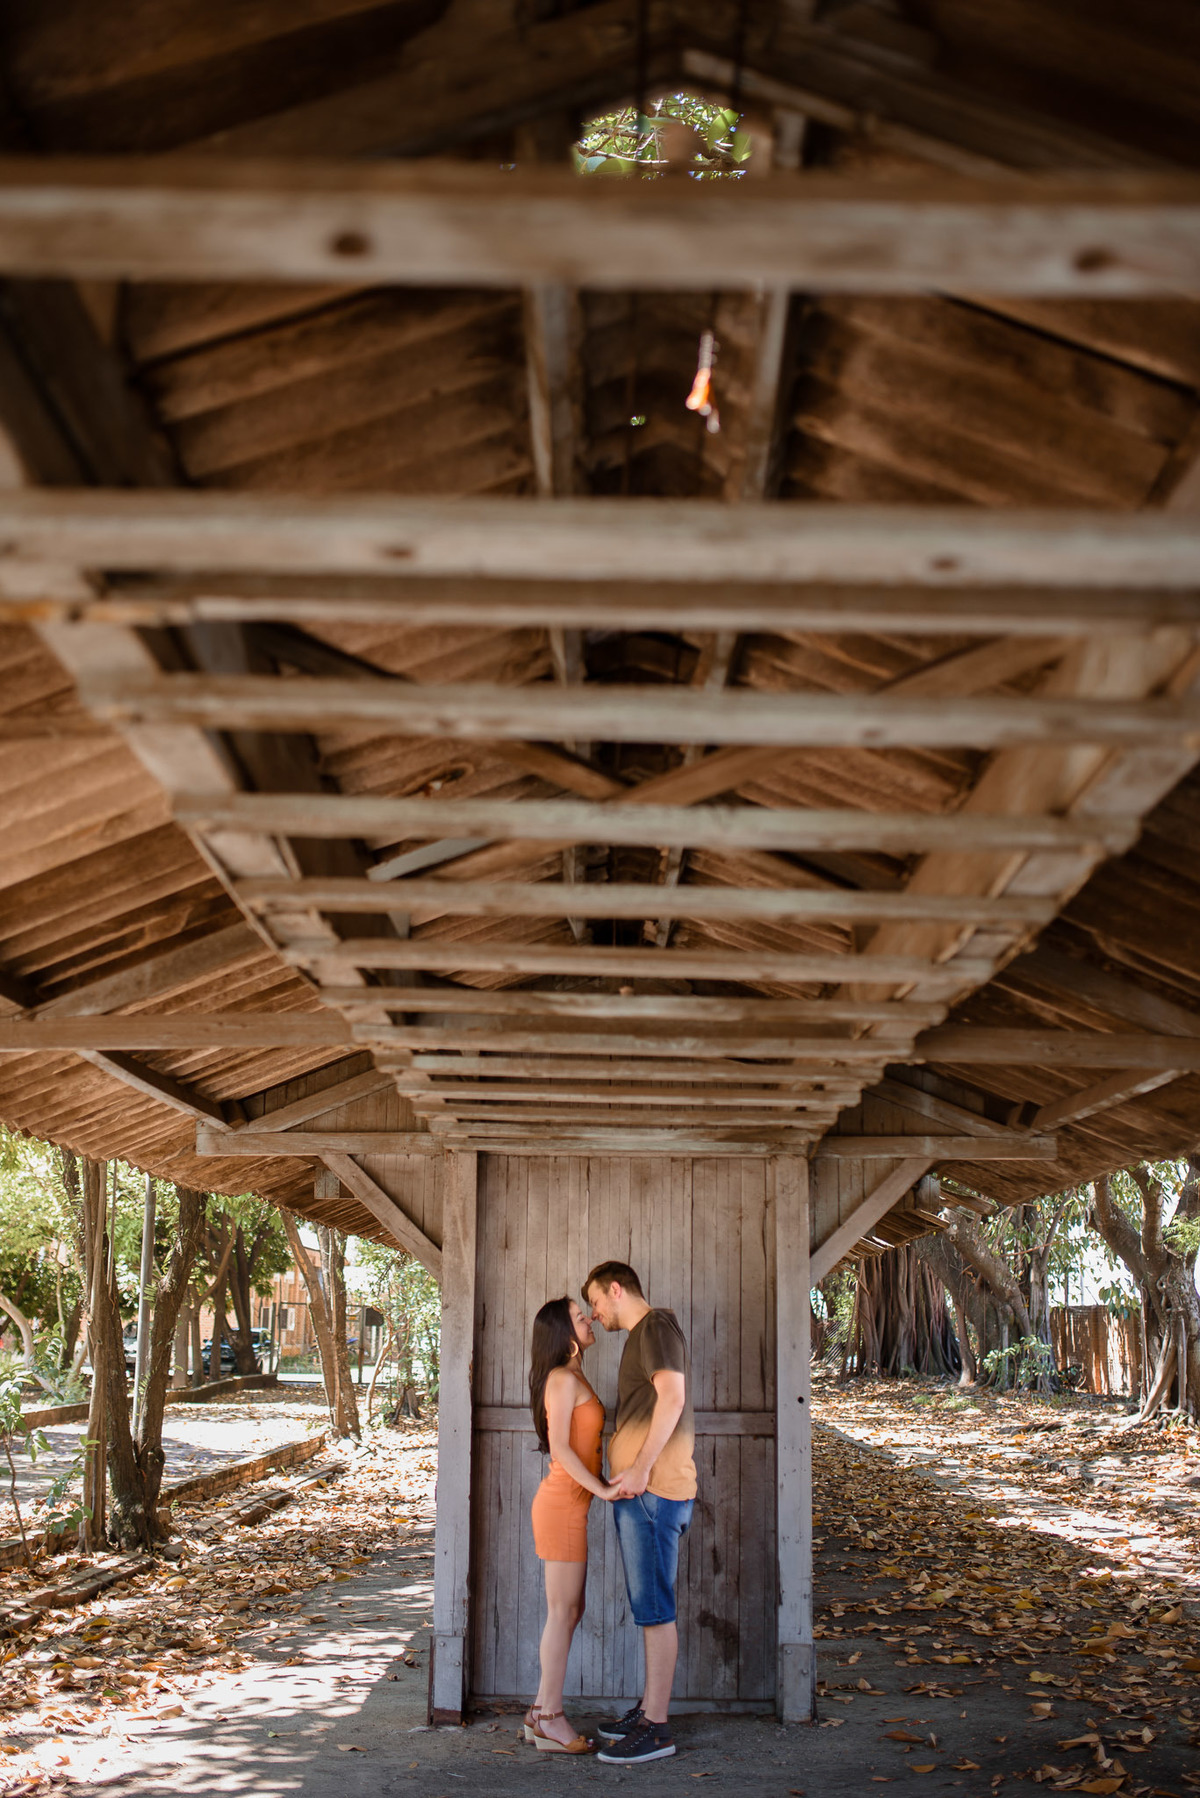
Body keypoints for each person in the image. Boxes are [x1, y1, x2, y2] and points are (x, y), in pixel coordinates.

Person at [582, 1260, 696, 1766]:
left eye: (596, 1302)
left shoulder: (656, 1327)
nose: (595, 1313)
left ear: (615, 1289)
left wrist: (642, 1469)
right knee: (650, 1606)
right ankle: (649, 1711)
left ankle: (656, 1727)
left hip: (653, 1493)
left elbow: (673, 1398)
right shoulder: (644, 1335)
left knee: (655, 1608)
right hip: (642, 1494)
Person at [526, 1295, 618, 1754]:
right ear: (565, 1335)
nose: (590, 1318)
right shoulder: (562, 1379)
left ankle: (539, 1709)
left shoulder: (574, 1375)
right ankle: (551, 1718)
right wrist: (601, 1488)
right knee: (563, 1613)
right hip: (562, 1506)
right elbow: (560, 1448)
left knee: (571, 1610)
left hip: (570, 1506)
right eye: (581, 1317)